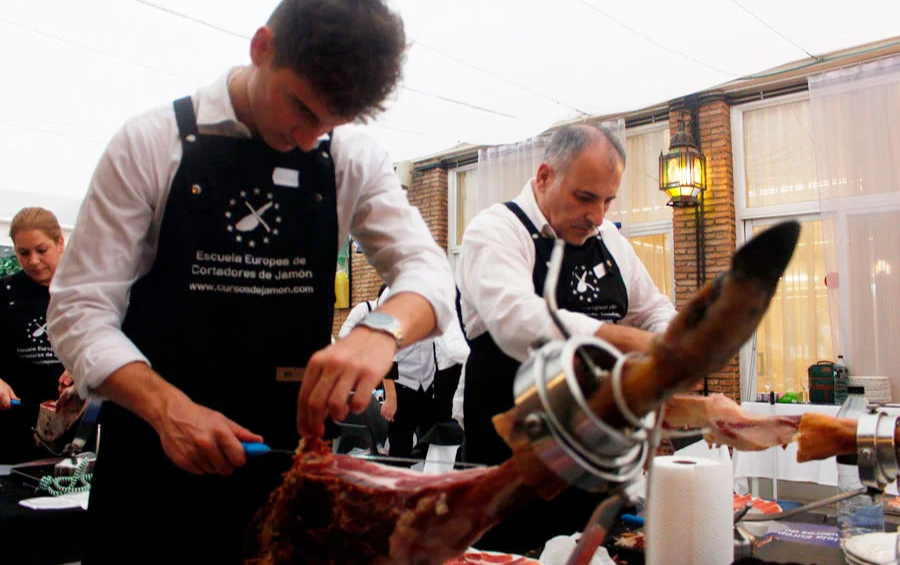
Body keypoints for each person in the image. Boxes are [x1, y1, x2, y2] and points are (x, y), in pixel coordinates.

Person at [47, 1, 453, 562]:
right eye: (302, 109)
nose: (309, 140)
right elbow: (78, 310)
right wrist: (166, 409)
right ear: (261, 48)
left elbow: (429, 272)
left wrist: (381, 329)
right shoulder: (150, 143)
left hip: (282, 470)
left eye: (332, 124)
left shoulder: (351, 159)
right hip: (150, 464)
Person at [456, 124, 677, 552]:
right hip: (512, 477)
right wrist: (622, 341)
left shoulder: (609, 240)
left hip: (596, 476)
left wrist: (671, 347)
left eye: (607, 200)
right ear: (544, 176)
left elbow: (653, 309)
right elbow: (516, 319)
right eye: (585, 197)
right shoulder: (496, 230)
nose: (597, 215)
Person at [0, 207, 71, 463]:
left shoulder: (88, 291)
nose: (33, 261)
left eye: (41, 250)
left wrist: (87, 369)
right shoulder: (5, 293)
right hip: (13, 431)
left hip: (76, 435)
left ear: (60, 243)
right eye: (23, 253)